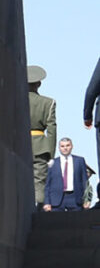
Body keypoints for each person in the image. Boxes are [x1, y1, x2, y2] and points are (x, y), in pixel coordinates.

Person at [30, 66, 57, 206]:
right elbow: (51, 129)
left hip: (18, 145)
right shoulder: (48, 103)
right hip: (40, 146)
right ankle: (39, 210)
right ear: (38, 84)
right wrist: (51, 155)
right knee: (39, 182)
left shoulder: (14, 100)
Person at [44, 138, 91, 212]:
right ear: (59, 148)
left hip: (75, 198)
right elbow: (48, 184)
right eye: (62, 146)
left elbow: (85, 182)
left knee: (77, 222)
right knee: (57, 223)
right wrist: (47, 202)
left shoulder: (79, 160)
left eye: (67, 145)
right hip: (56, 200)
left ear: (72, 146)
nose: (65, 148)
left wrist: (87, 199)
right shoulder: (52, 162)